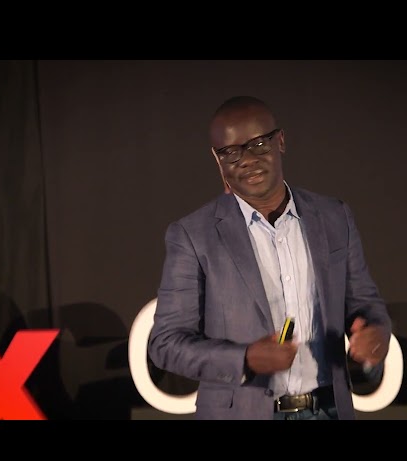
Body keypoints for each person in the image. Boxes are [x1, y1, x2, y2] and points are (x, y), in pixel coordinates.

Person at [148, 95, 392, 420]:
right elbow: (165, 344)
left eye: (258, 144)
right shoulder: (193, 235)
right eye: (231, 152)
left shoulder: (334, 217)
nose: (246, 160)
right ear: (217, 158)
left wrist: (375, 334)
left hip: (328, 409)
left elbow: (365, 304)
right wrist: (245, 358)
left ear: (281, 141)